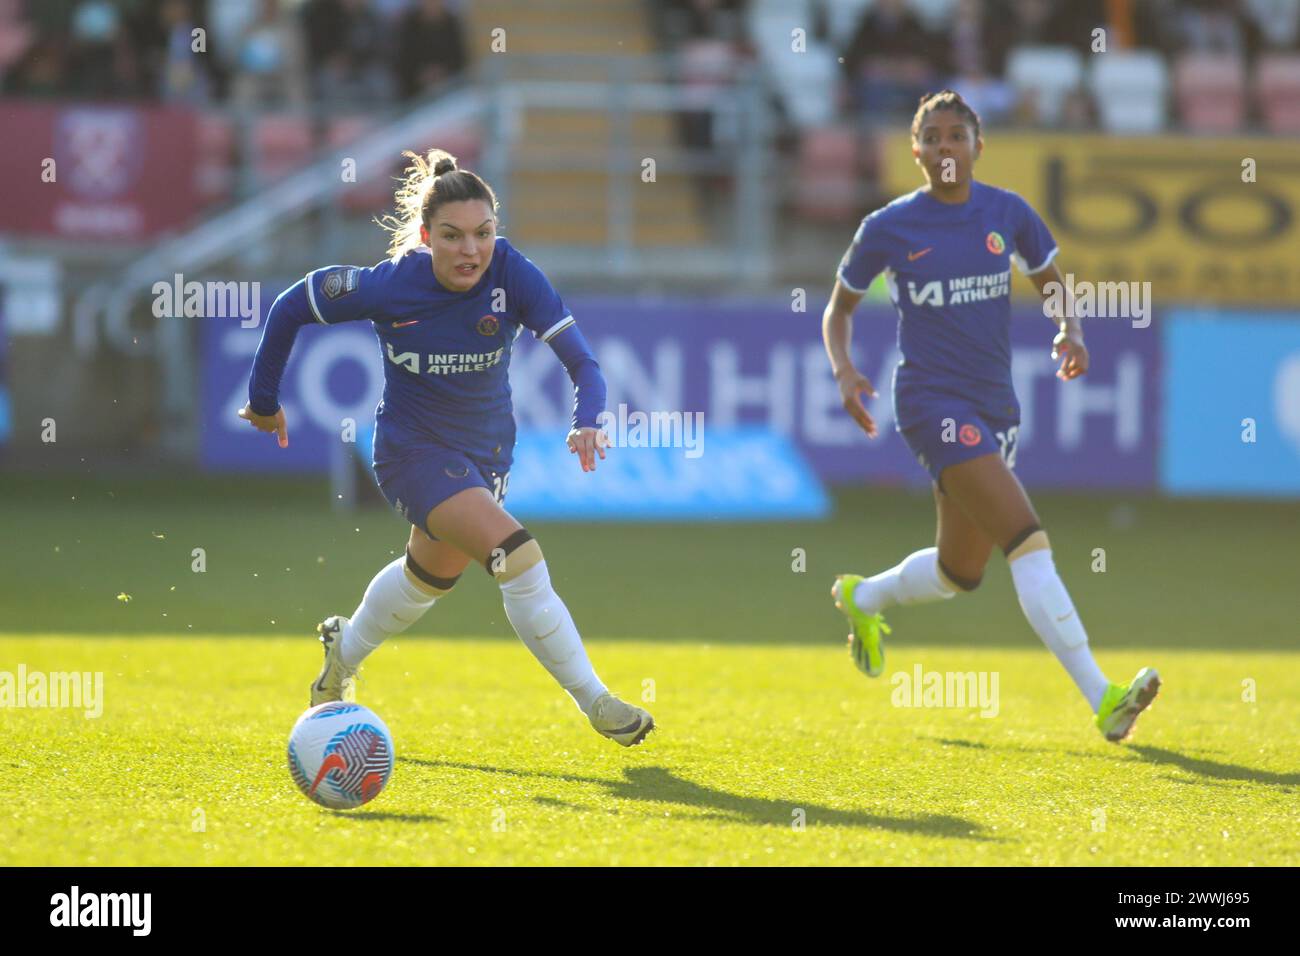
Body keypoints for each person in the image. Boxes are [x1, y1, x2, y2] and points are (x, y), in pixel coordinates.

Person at [239, 148, 655, 748]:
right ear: (426, 236)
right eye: (453, 236)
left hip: (484, 457)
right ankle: (596, 701)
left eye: (484, 233)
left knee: (426, 579)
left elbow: (583, 362)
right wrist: (265, 399)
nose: (471, 250)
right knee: (520, 557)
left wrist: (588, 418)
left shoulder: (512, 273)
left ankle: (341, 658)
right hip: (411, 453)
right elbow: (289, 307)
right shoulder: (391, 285)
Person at [822, 90, 1159, 743]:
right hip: (929, 405)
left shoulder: (1009, 214)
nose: (945, 148)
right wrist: (843, 369)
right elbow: (838, 309)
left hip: (995, 409)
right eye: (933, 138)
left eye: (957, 136)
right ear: (915, 152)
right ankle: (1104, 698)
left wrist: (1072, 331)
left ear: (980, 145)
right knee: (1027, 541)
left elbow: (1055, 283)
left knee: (958, 574)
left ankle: (863, 598)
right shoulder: (888, 227)